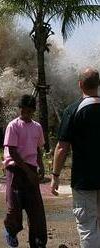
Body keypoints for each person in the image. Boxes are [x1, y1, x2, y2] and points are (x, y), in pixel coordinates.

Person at [51, 68, 100, 247]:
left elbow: (62, 147)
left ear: (80, 84)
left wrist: (55, 176)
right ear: (98, 84)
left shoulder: (73, 110)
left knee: (87, 226)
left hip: (83, 180)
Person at [2, 94, 47, 248]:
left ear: (33, 111)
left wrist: (40, 165)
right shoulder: (13, 126)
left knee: (36, 210)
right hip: (15, 169)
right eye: (24, 111)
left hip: (31, 169)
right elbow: (13, 151)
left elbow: (37, 148)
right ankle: (11, 231)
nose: (26, 114)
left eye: (29, 111)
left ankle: (38, 242)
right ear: (20, 109)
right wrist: (28, 172)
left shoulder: (37, 127)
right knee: (14, 207)